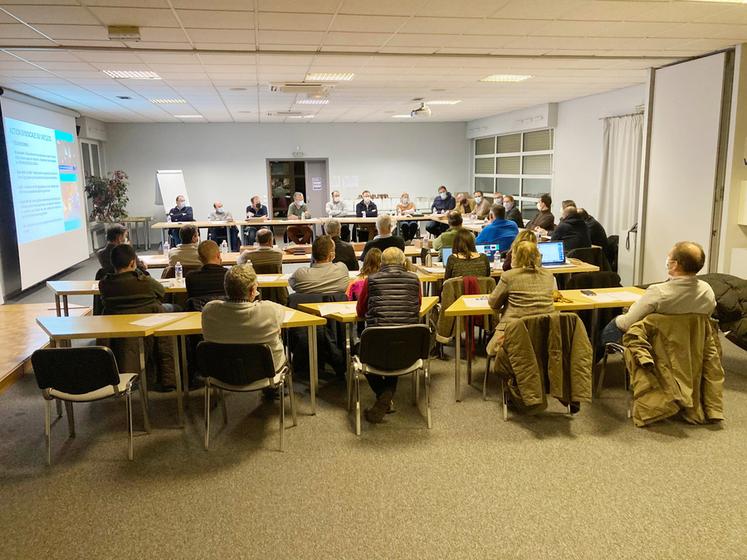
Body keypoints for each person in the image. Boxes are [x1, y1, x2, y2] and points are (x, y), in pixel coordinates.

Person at [601, 241, 716, 346]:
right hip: (691, 344)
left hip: (657, 344)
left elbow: (627, 324)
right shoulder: (707, 290)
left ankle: (594, 363)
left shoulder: (658, 292)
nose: (667, 260)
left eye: (669, 257)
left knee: (614, 325)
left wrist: (618, 318)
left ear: (674, 264)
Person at [355, 247, 422, 423]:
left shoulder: (372, 280)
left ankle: (384, 394)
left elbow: (360, 310)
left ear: (382, 263)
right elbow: (417, 308)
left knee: (359, 351)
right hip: (409, 349)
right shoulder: (415, 280)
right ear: (403, 262)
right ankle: (386, 395)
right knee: (397, 344)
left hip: (376, 349)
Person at [201, 264, 287, 373]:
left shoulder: (209, 310)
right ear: (252, 291)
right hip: (266, 375)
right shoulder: (270, 310)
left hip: (220, 374)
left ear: (226, 287)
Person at [486, 241, 556, 354]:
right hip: (546, 333)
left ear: (515, 257)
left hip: (514, 332)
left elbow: (493, 303)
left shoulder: (509, 276)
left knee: (491, 348)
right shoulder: (548, 275)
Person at [99, 244, 171, 315]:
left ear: (113, 263)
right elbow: (161, 291)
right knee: (177, 307)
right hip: (147, 317)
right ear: (132, 263)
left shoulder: (104, 284)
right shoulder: (145, 281)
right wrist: (138, 270)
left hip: (116, 320)